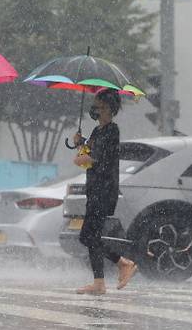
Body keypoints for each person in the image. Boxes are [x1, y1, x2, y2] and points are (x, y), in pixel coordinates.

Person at [73, 89, 137, 295]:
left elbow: (99, 157)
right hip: (94, 189)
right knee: (90, 236)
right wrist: (80, 144)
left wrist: (86, 158)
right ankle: (100, 282)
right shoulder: (96, 131)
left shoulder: (112, 130)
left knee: (88, 236)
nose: (94, 109)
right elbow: (87, 152)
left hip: (105, 189)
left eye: (98, 105)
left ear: (108, 108)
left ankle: (122, 264)